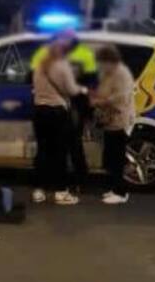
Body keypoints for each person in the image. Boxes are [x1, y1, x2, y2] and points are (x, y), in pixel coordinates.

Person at [32, 31, 98, 188]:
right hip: (67, 105)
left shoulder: (44, 55)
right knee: (66, 147)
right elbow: (87, 84)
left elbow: (32, 80)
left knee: (51, 148)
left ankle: (47, 185)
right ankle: (70, 183)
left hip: (62, 106)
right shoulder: (64, 58)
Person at [92, 44, 136, 205]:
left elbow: (121, 97)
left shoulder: (121, 74)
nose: (100, 66)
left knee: (116, 158)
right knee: (110, 158)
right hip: (110, 121)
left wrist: (102, 101)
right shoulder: (109, 73)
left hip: (119, 120)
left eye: (102, 62)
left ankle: (121, 192)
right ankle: (115, 188)